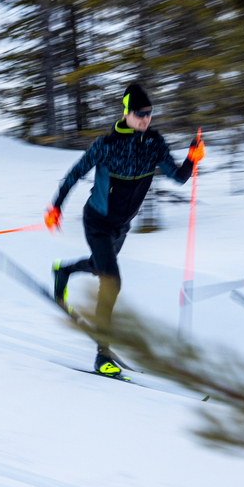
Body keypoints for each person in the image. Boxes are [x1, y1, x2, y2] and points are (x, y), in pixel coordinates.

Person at [44, 83, 204, 376]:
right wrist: (56, 206)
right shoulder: (106, 145)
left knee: (99, 266)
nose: (145, 119)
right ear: (126, 113)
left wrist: (191, 160)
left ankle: (64, 271)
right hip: (97, 222)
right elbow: (75, 174)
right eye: (140, 114)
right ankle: (102, 356)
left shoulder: (154, 143)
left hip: (121, 226)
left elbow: (178, 177)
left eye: (149, 113)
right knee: (111, 281)